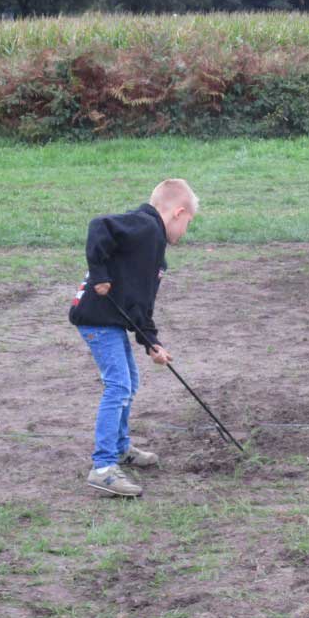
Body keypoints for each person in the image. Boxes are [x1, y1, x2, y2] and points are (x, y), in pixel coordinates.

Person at [68, 179, 199, 497]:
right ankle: (103, 467)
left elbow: (141, 306)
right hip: (97, 319)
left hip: (112, 321)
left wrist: (151, 342)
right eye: (188, 223)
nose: (185, 231)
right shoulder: (145, 227)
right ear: (178, 213)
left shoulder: (156, 254)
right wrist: (99, 275)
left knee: (130, 382)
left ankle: (121, 447)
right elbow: (99, 226)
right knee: (119, 385)